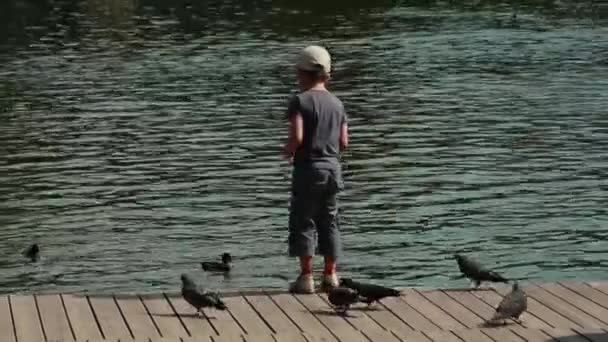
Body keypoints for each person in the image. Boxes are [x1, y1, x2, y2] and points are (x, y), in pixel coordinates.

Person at [283, 45, 349, 293]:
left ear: (303, 73)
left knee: (304, 221)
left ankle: (306, 278)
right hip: (333, 170)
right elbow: (344, 142)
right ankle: (331, 275)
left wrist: (289, 149)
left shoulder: (300, 101)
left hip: (308, 170)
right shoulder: (337, 104)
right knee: (330, 221)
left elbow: (298, 137)